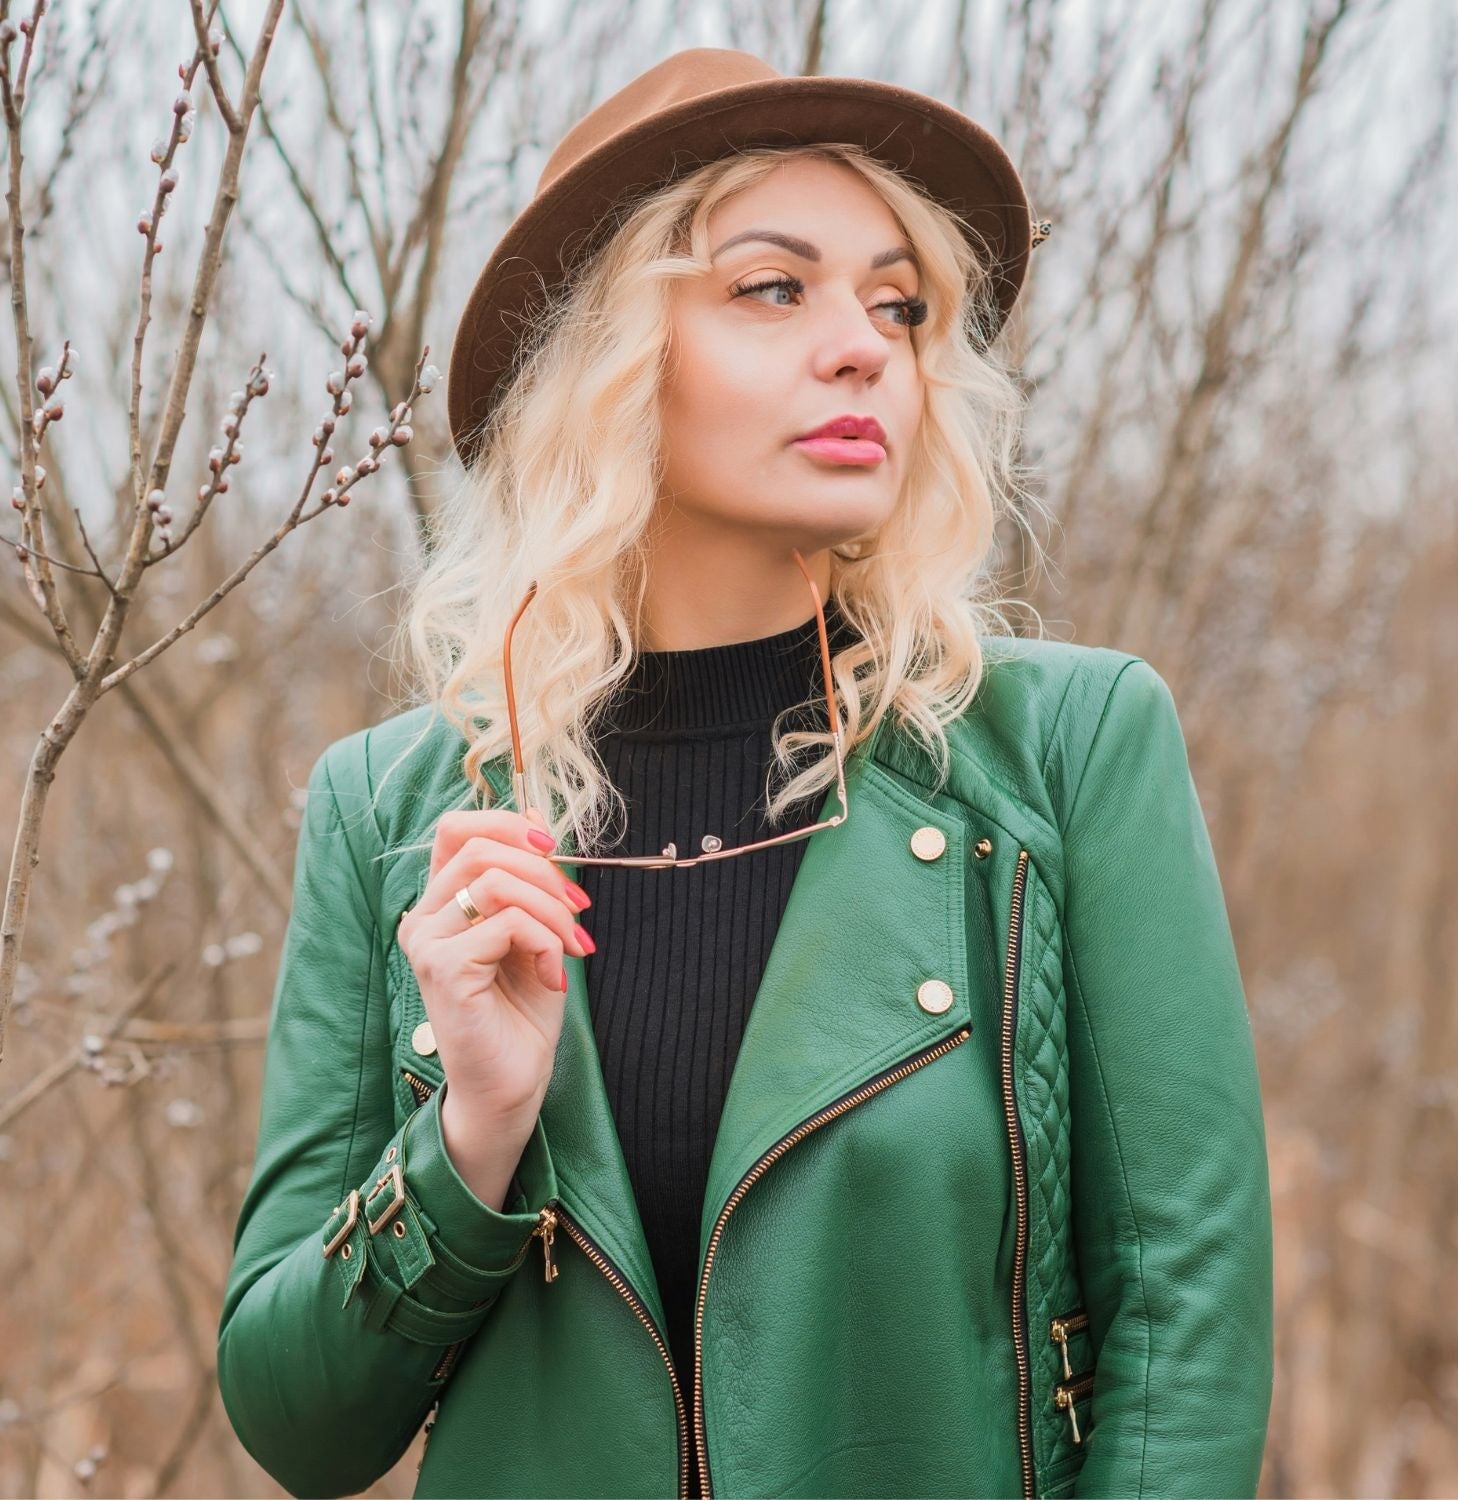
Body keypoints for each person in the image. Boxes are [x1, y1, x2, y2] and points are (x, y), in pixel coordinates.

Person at [216, 47, 1274, 1500]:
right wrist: (469, 1133)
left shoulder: (1062, 755)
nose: (864, 348)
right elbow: (297, 1423)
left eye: (897, 306)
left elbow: (1186, 1333)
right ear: (606, 356)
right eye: (774, 288)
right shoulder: (398, 815)